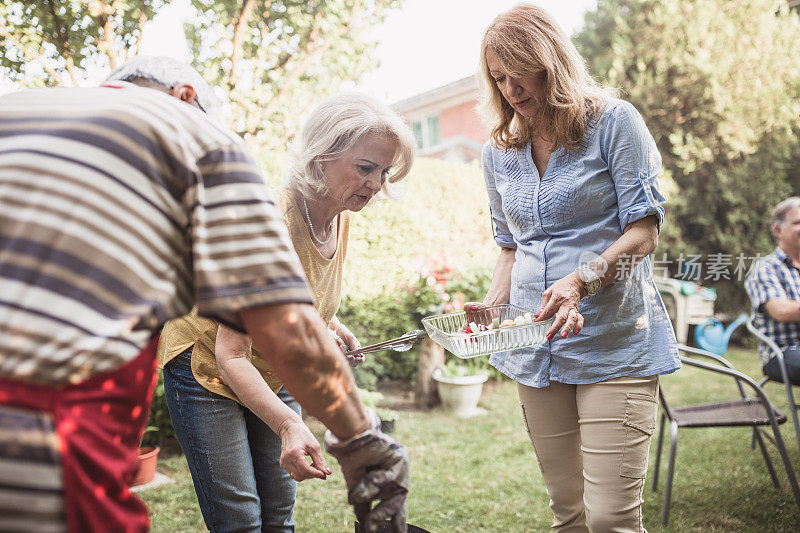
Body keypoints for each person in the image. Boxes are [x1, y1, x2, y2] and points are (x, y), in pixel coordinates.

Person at [0, 56, 409, 533]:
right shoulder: (201, 141)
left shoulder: (16, 114)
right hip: (68, 424)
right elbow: (282, 326)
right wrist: (360, 439)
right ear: (185, 98)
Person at [157, 92, 415, 532]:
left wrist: (328, 322)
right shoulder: (269, 224)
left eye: (384, 171)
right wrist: (288, 424)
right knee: (241, 520)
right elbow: (230, 354)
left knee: (278, 509)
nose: (376, 184)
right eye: (366, 168)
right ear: (319, 160)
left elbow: (295, 294)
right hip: (207, 365)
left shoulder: (339, 217)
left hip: (272, 364)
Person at [470, 5, 680, 531]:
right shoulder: (498, 152)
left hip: (613, 341)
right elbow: (509, 246)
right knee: (569, 514)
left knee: (610, 518)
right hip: (534, 346)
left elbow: (644, 231)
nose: (511, 87)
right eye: (499, 77)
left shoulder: (613, 123)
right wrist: (494, 304)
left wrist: (579, 279)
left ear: (552, 59)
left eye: (521, 70)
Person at [744, 197, 800, 386]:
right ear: (778, 230)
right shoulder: (765, 268)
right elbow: (780, 311)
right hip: (784, 351)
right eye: (797, 222)